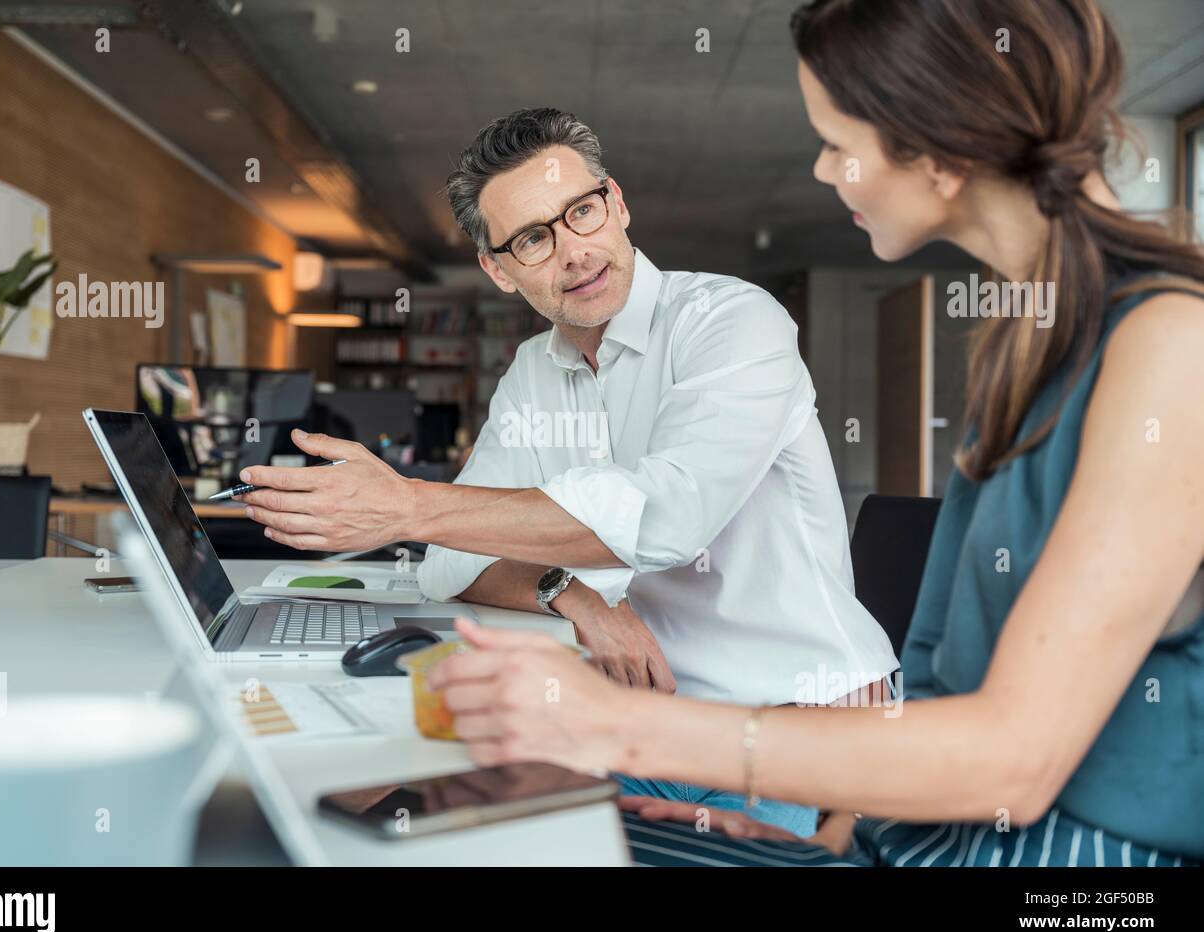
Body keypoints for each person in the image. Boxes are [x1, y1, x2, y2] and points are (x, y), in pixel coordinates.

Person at [423, 0, 1204, 867]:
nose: (826, 172)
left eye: (840, 141)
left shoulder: (1168, 347)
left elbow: (1013, 763)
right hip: (912, 831)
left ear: (935, 145)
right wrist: (848, 823)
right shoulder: (1031, 339)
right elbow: (969, 694)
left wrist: (623, 725)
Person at [234, 107, 897, 836]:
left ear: (616, 204)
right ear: (498, 269)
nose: (574, 252)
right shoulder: (532, 370)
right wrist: (567, 591)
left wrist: (408, 506)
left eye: (581, 212)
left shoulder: (733, 322)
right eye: (531, 239)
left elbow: (667, 517)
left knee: (459, 828)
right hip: (646, 720)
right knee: (359, 802)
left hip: (792, 730)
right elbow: (448, 561)